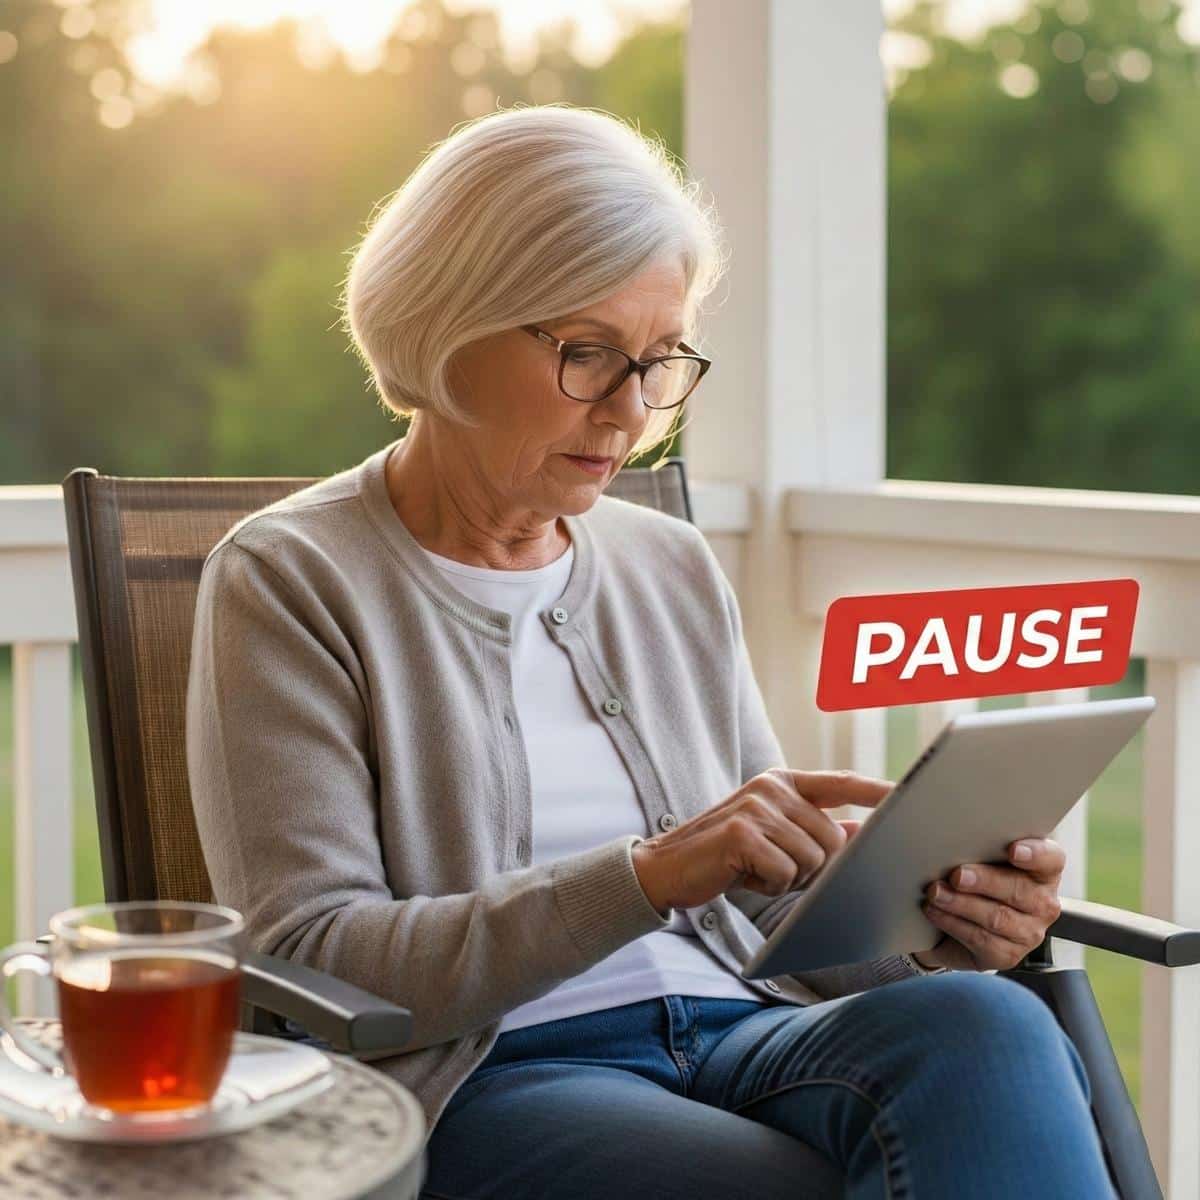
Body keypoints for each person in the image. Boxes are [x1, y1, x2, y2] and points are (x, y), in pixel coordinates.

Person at [186, 103, 1114, 1199]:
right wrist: (644, 877)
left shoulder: (667, 563)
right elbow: (314, 954)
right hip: (494, 1076)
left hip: (745, 1029)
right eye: (587, 354)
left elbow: (767, 907)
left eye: (660, 359)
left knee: (989, 1023)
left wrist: (935, 934)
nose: (630, 411)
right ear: (446, 326)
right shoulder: (291, 577)